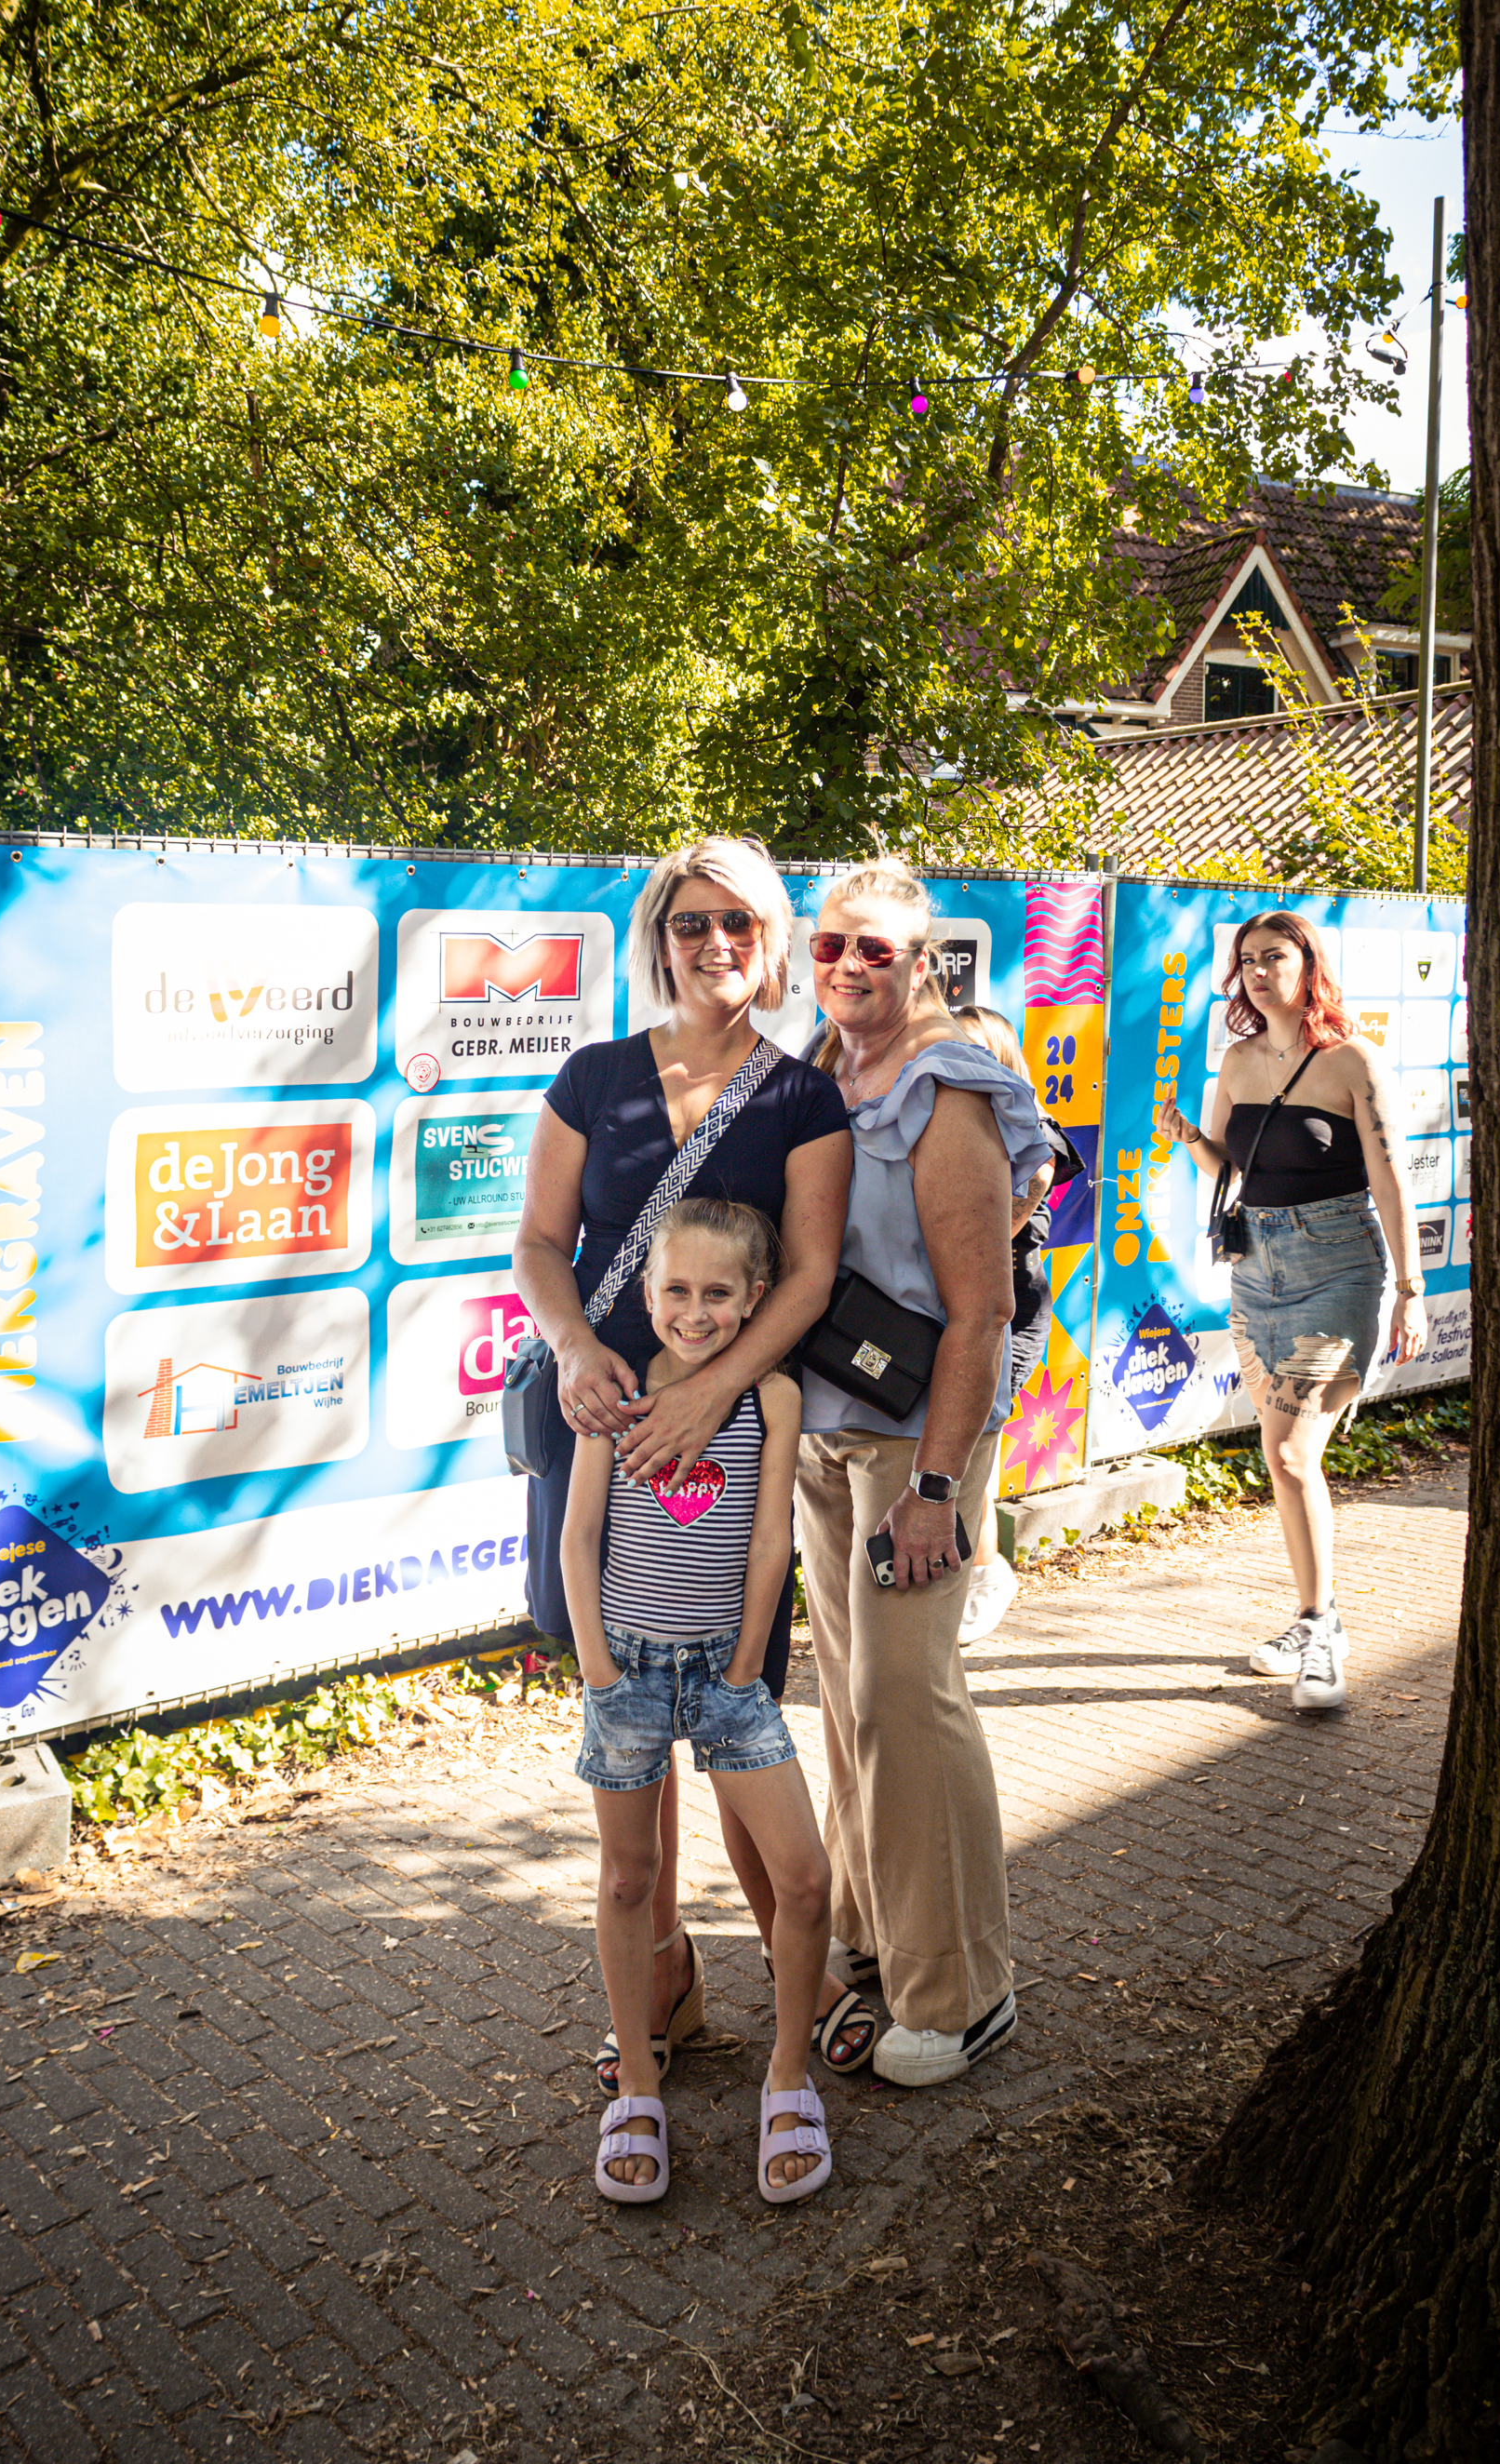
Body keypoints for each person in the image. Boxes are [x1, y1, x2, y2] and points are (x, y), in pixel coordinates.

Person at [511, 836, 864, 2093]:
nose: (717, 944)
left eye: (743, 925)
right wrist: (569, 1350)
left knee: (733, 1696)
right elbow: (544, 1244)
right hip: (602, 1426)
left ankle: (795, 1973)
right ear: (659, 934)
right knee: (623, 1711)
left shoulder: (800, 1098)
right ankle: (657, 1984)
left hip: (732, 1438)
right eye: (693, 921)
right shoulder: (595, 1075)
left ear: (771, 946)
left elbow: (812, 1273)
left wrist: (711, 1389)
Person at [796, 860, 1050, 2087]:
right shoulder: (824, 1067)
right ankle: (871, 1935)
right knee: (848, 1697)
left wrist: (940, 1491)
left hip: (915, 1442)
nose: (848, 968)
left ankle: (963, 1990)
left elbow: (982, 1309)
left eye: (875, 952)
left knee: (906, 1691)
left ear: (925, 963)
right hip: (823, 1427)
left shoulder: (949, 1086)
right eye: (831, 947)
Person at [562, 1199, 836, 2205]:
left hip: (727, 1676)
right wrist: (596, 1667)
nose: (695, 1309)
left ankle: (787, 2075)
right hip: (624, 1674)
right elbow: (576, 1535)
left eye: (719, 1293)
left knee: (802, 1881)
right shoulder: (617, 1395)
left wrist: (746, 1667)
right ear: (647, 1293)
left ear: (755, 1299)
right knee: (630, 1880)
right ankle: (637, 2083)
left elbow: (772, 1539)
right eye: (677, 1289)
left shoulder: (770, 1396)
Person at [1154, 908, 1428, 1711]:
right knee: (1279, 1457)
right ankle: (1312, 1615)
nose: (1258, 972)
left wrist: (1410, 1290)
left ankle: (1321, 1629)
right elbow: (1228, 1165)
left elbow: (1391, 1181)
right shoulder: (1236, 1062)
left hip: (1337, 1272)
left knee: (1296, 1454)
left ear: (1309, 964)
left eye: (1274, 957)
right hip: (1256, 1278)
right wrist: (1189, 1138)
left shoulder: (1351, 1060)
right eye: (1246, 961)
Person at [948, 1007, 1086, 1647]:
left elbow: (989, 1233)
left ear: (1002, 1060)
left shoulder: (1036, 1139)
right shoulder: (942, 1125)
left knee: (974, 1440)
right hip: (948, 1312)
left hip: (1003, 1316)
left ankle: (987, 1572)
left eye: (974, 1052)